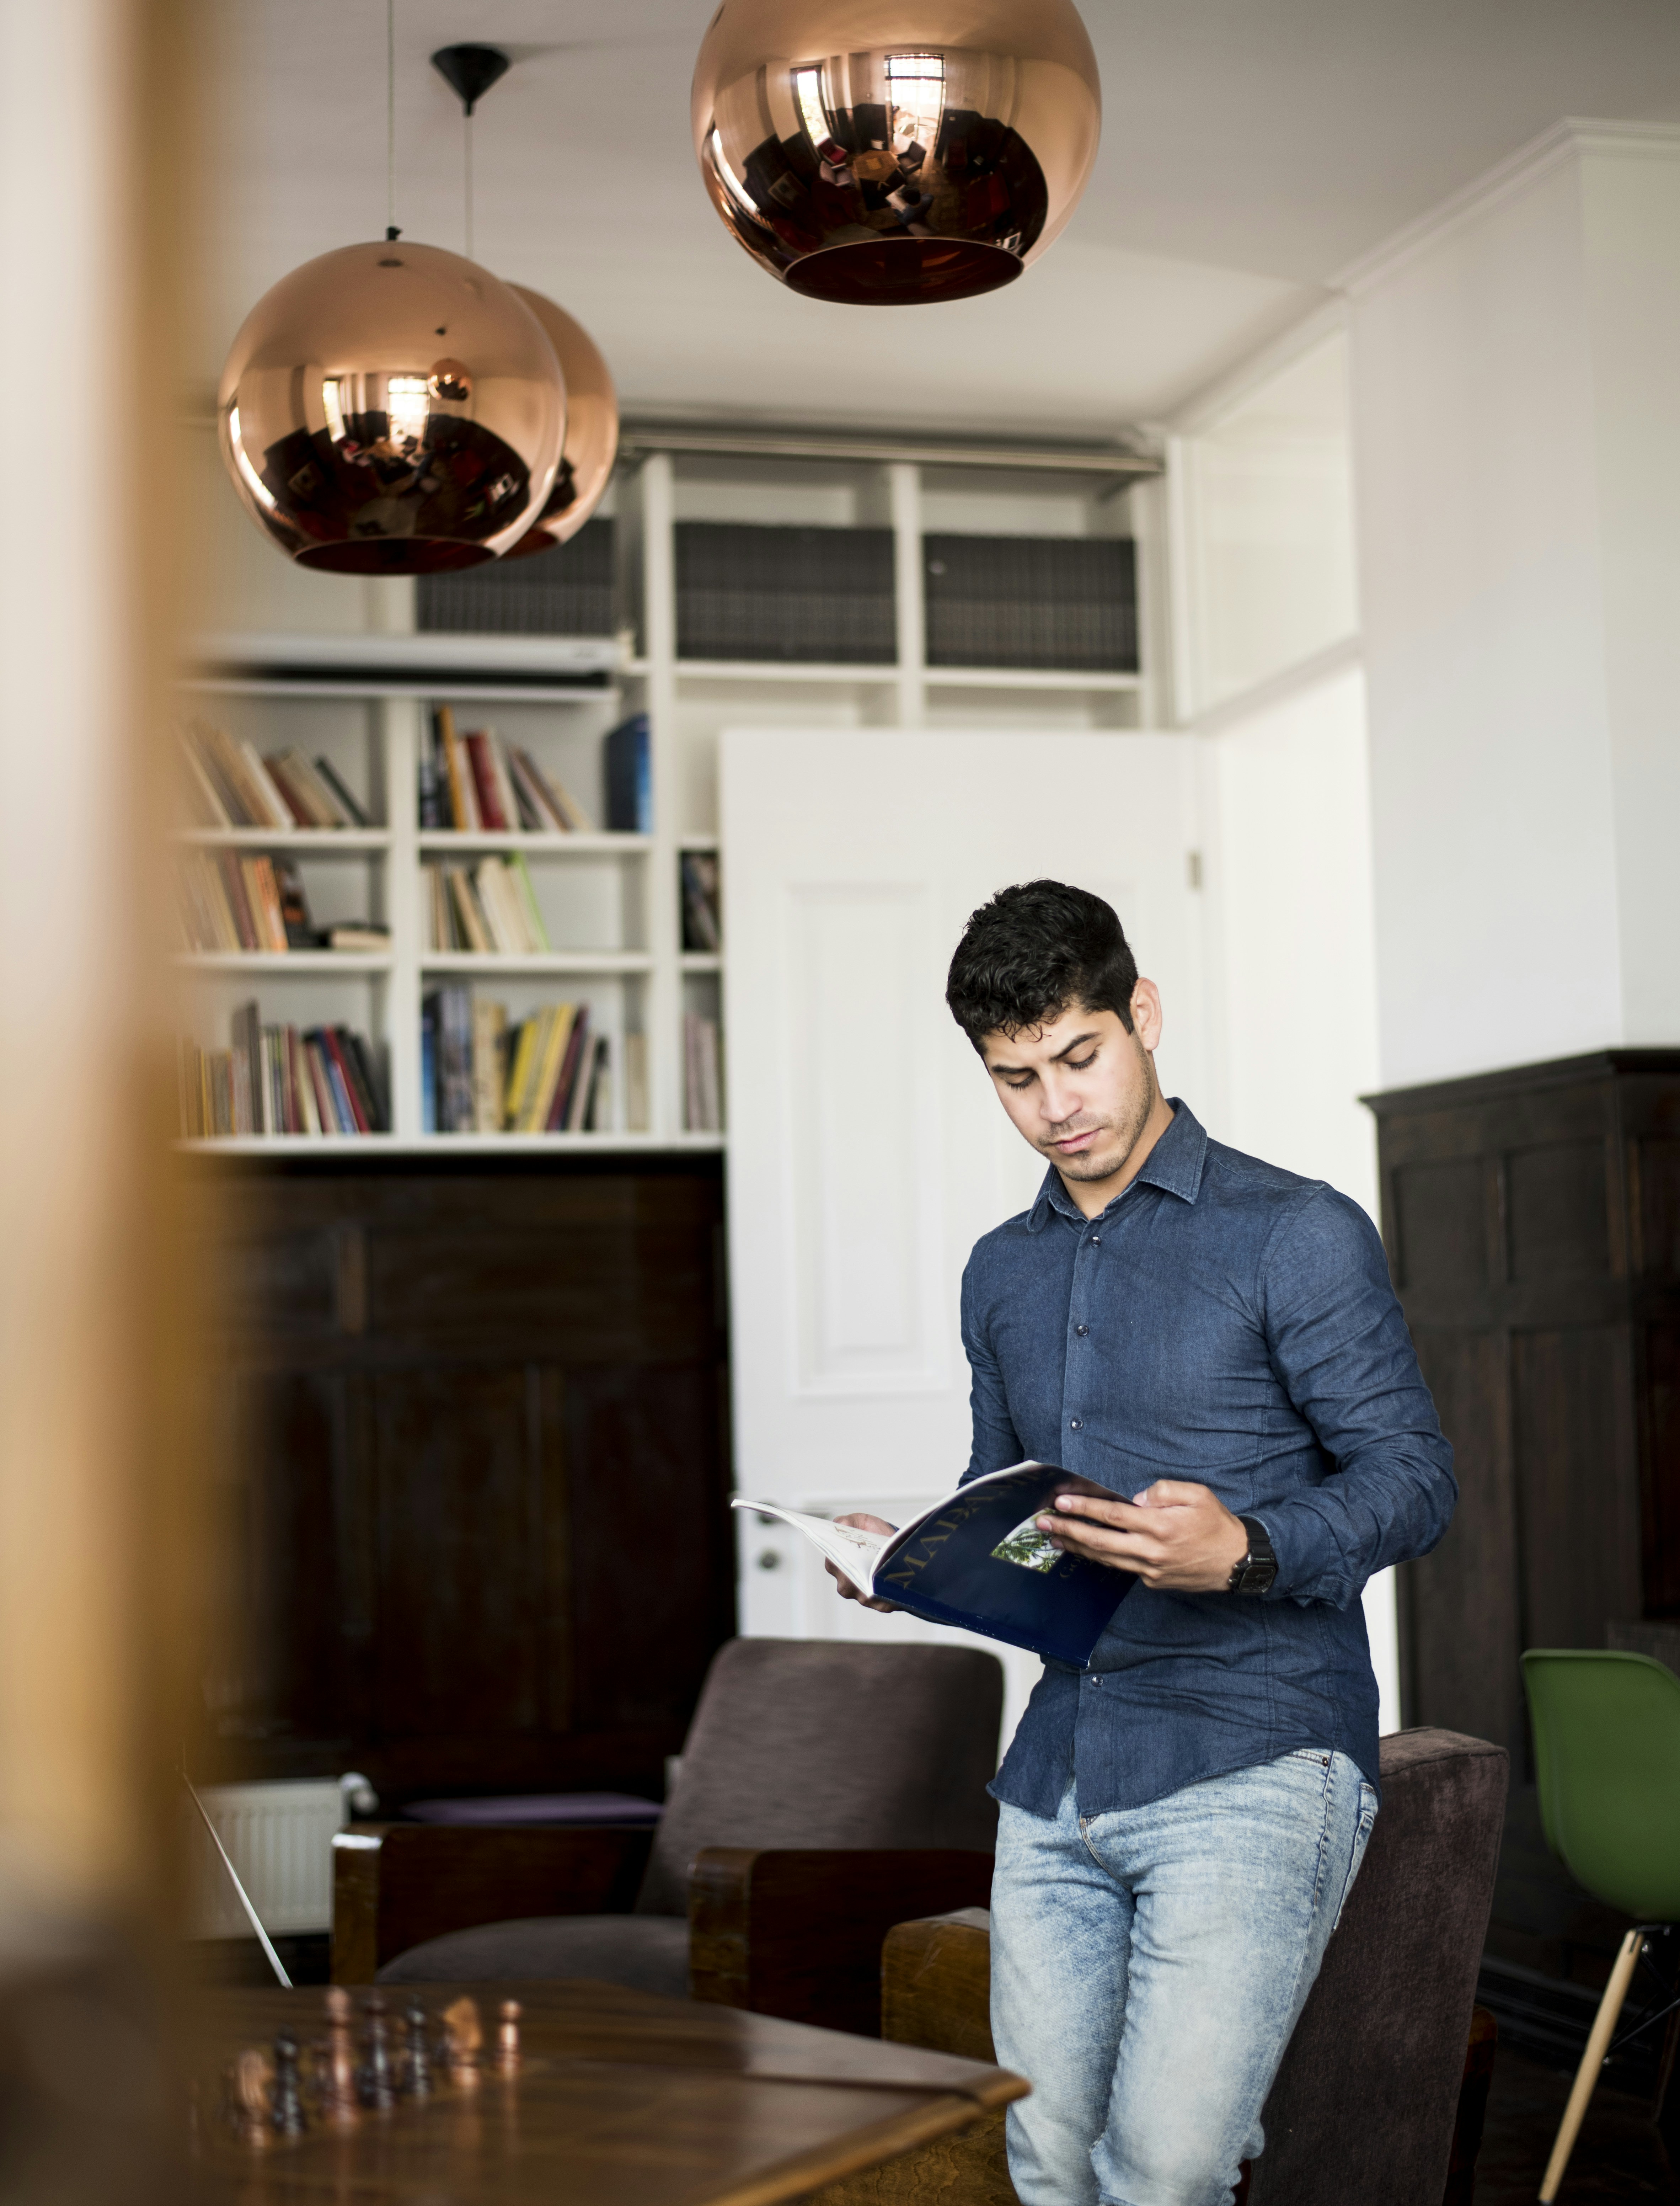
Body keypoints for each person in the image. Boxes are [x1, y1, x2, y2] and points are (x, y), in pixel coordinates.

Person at [828, 879, 1455, 2206]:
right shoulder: (1000, 1270)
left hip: (1255, 1754)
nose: (1056, 1104)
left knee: (1165, 2174)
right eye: (1016, 1078)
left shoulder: (1296, 1232)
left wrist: (1251, 1547)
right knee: (1048, 2164)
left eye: (1080, 1055)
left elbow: (1416, 1477)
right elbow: (1013, 1509)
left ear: (1144, 1015)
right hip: (1058, 1772)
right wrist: (914, 1564)